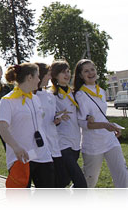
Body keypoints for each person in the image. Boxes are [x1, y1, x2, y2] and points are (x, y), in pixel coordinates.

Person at [74, 59, 128, 188]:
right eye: (86, 71)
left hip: (110, 140)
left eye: (92, 69)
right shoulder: (80, 95)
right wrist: (105, 126)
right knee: (89, 181)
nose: (90, 73)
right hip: (93, 144)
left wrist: (112, 126)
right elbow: (83, 124)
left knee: (122, 174)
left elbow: (101, 116)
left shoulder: (101, 91)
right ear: (80, 75)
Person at [0, 63, 54, 188]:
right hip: (21, 157)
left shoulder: (35, 99)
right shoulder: (7, 101)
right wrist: (16, 147)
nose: (39, 80)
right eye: (38, 76)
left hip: (42, 155)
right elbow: (2, 128)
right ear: (30, 77)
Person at [50, 60, 87, 188]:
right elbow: (48, 118)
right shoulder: (52, 95)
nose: (67, 74)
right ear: (55, 76)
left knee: (63, 181)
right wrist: (57, 117)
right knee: (81, 183)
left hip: (76, 142)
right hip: (62, 143)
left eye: (68, 71)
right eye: (62, 72)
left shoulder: (74, 93)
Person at [35, 62, 68, 188]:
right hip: (41, 147)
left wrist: (57, 119)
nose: (50, 77)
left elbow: (52, 116)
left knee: (61, 181)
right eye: (48, 74)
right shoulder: (31, 96)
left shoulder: (50, 95)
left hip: (54, 145)